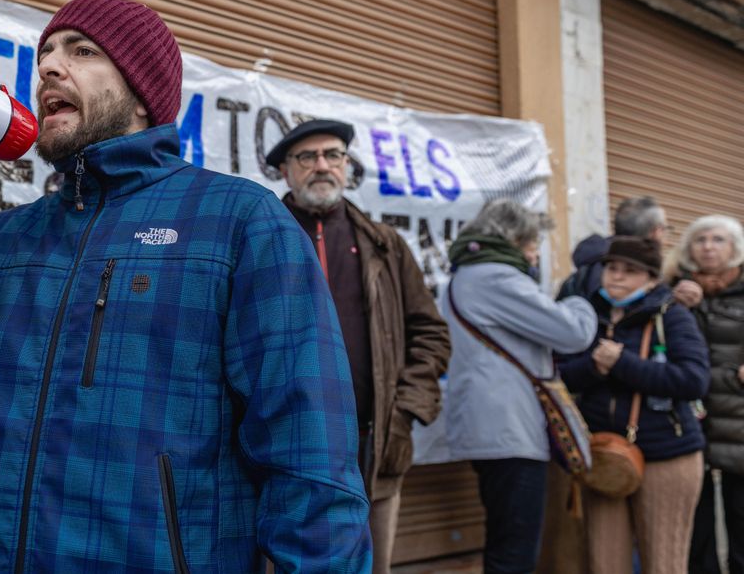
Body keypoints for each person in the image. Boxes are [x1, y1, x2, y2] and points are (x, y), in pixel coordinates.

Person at [0, 0, 372, 572]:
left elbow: (308, 448)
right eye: (45, 56)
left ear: (141, 91)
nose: (49, 68)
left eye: (82, 51)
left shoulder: (238, 221)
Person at [265, 118, 451, 574]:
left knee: (371, 563)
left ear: (348, 166)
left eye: (333, 155)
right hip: (279, 444)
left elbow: (430, 333)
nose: (322, 166)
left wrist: (404, 409)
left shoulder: (384, 245)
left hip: (373, 443)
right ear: (286, 171)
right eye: (306, 158)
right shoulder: (262, 234)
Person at [443, 198, 597, 574]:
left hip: (490, 426)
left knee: (506, 538)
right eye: (531, 243)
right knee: (515, 549)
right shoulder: (496, 277)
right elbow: (574, 333)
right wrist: (580, 300)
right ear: (512, 239)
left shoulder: (464, 277)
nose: (534, 254)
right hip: (509, 429)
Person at [558, 236, 709, 573]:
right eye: (612, 268)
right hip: (604, 454)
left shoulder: (672, 316)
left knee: (663, 561)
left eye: (630, 271)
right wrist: (593, 367)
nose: (617, 277)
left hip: (667, 454)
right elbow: (560, 375)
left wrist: (623, 364)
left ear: (652, 278)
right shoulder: (588, 313)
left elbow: (694, 380)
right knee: (603, 560)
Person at [667, 216, 744, 574]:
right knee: (695, 530)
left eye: (718, 239)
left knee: (742, 520)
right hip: (689, 423)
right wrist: (673, 299)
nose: (708, 246)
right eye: (700, 239)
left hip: (739, 423)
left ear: (735, 249)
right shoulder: (670, 290)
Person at [560, 196, 703, 307]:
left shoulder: (585, 268)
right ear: (656, 232)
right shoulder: (639, 275)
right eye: (665, 229)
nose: (618, 276)